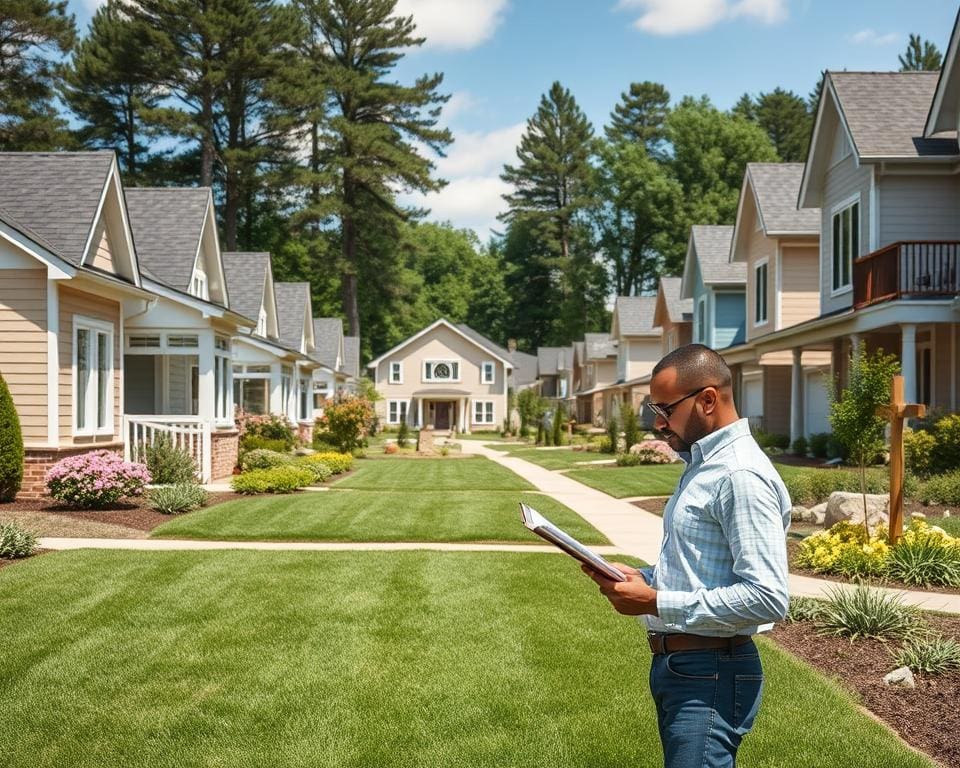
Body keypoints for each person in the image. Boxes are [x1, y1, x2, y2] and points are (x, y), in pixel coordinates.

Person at [584, 344, 790, 768]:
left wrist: (656, 601)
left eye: (665, 409)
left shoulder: (739, 475)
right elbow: (701, 568)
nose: (658, 424)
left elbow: (768, 596)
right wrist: (640, 577)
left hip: (711, 670)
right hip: (686, 667)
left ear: (708, 399)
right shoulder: (702, 466)